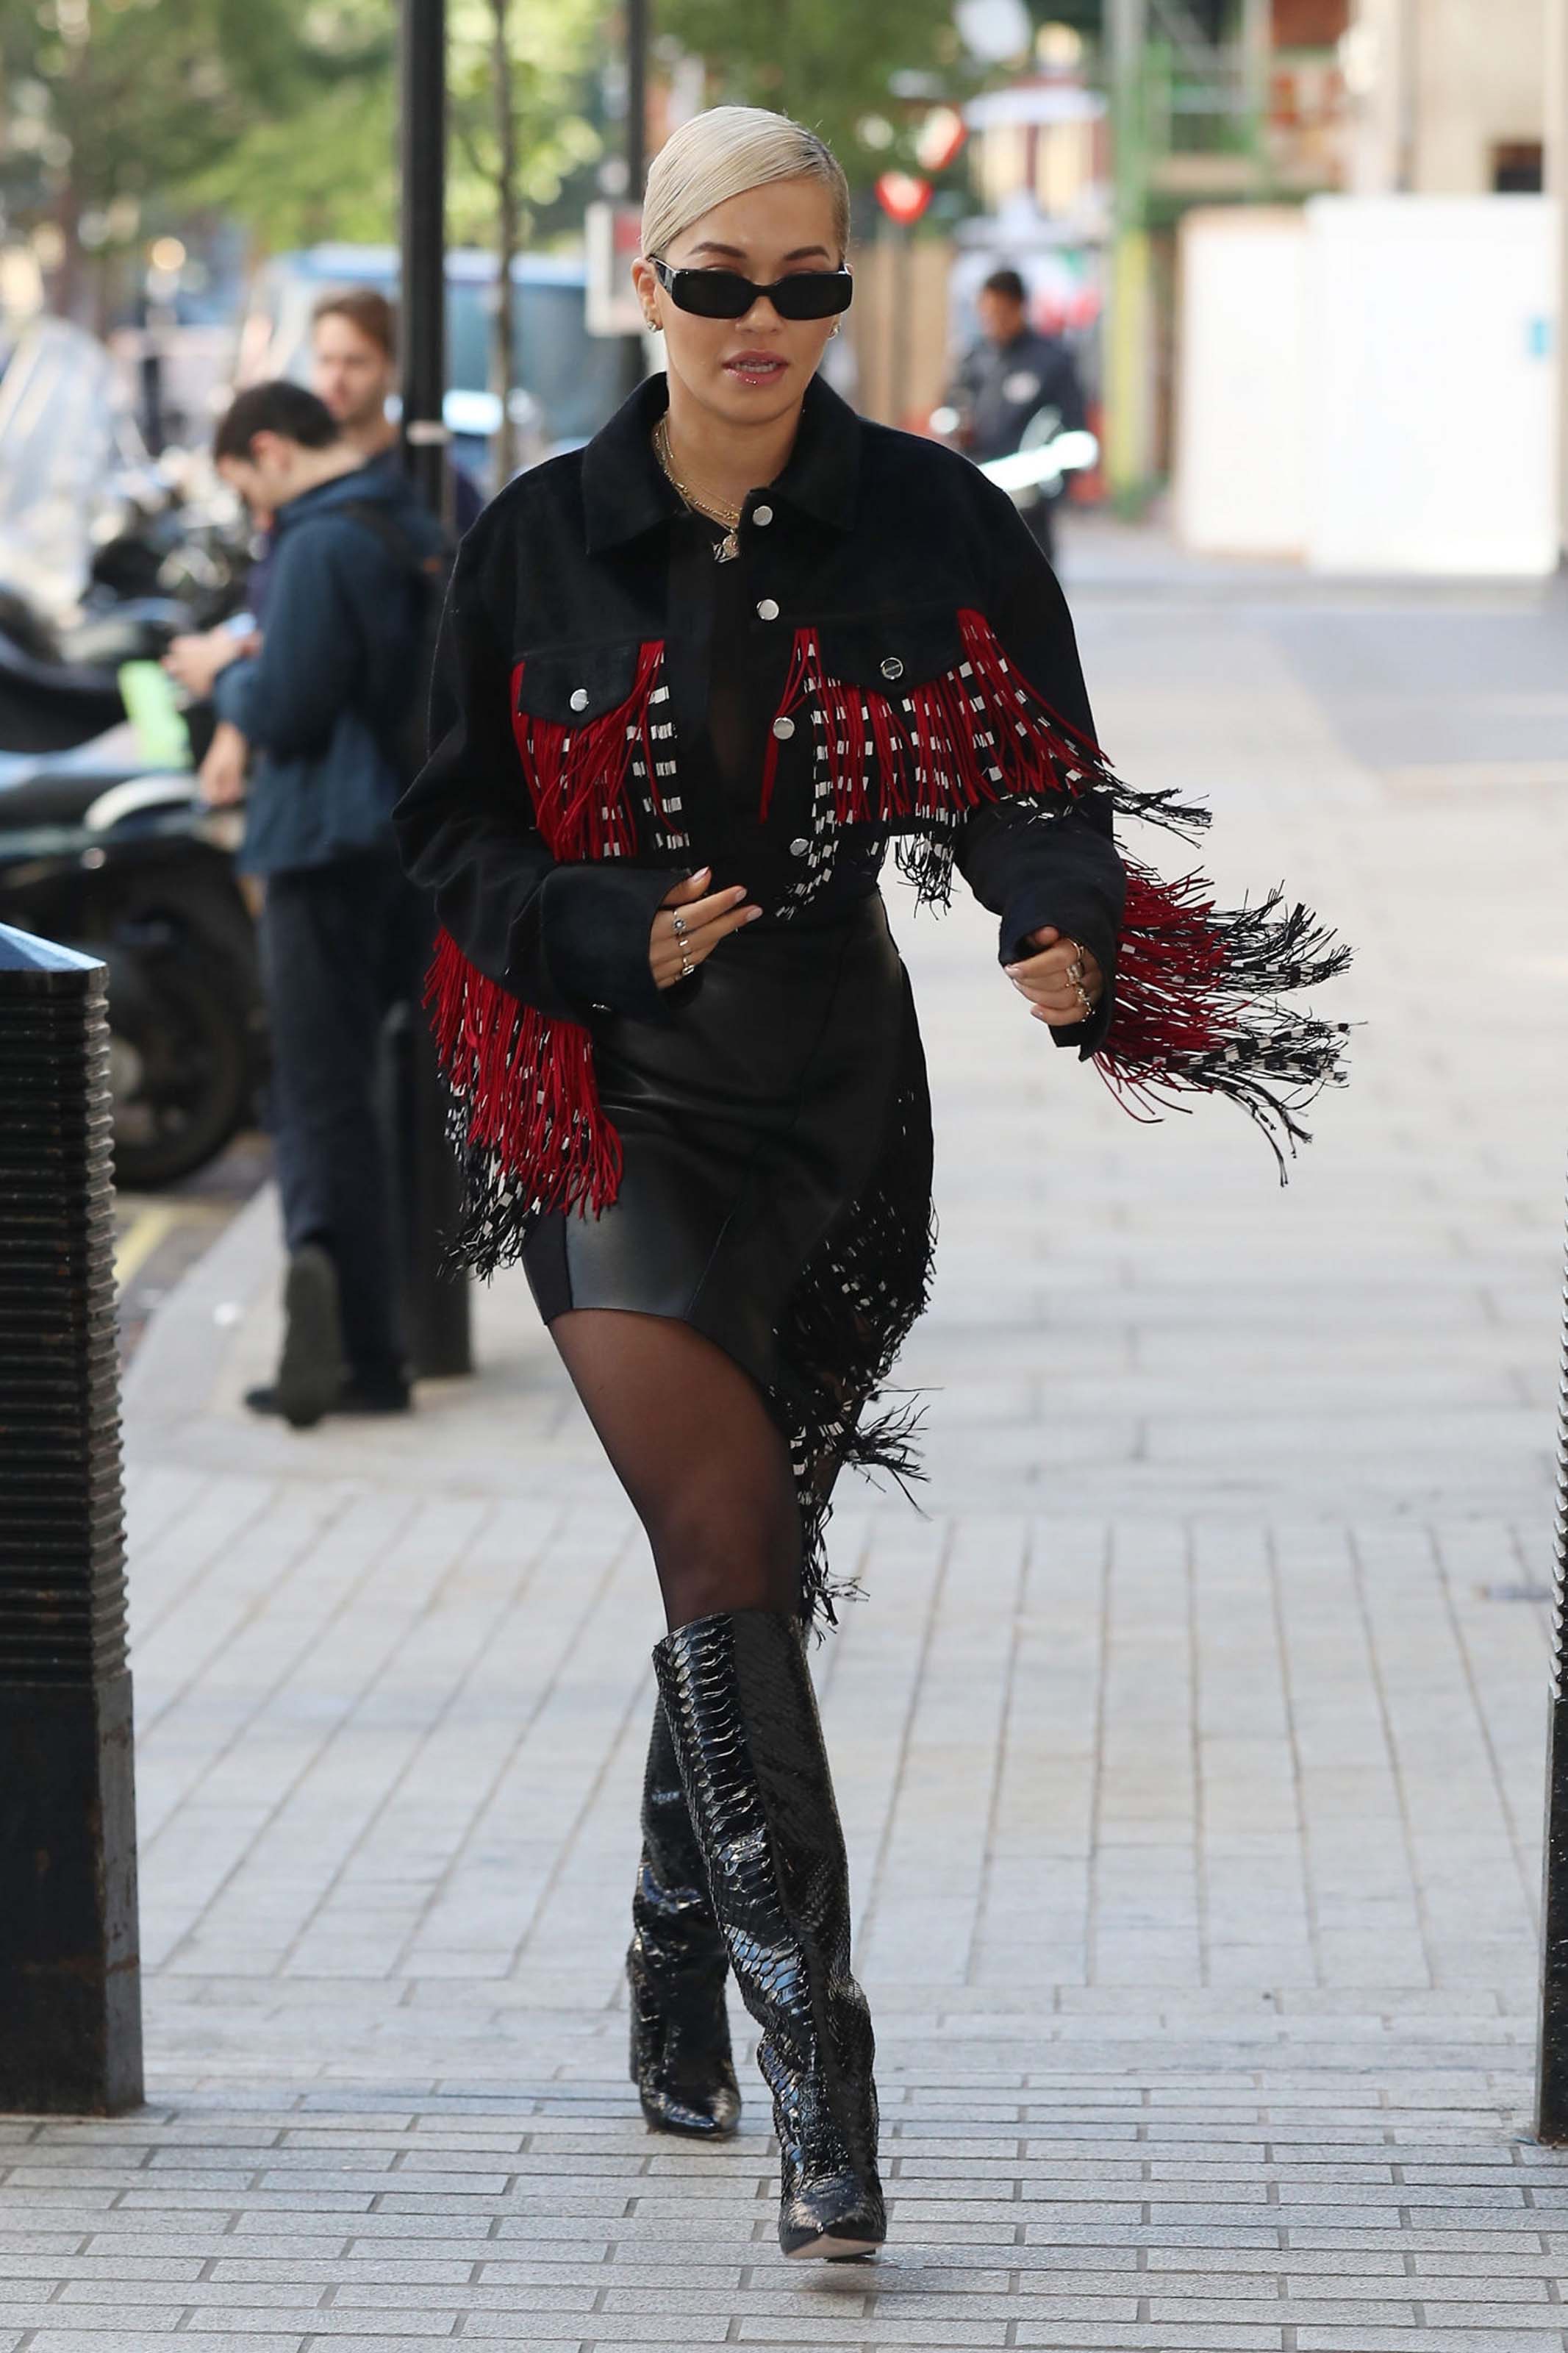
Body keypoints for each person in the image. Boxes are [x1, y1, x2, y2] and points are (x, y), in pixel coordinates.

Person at [393, 108, 1347, 2263]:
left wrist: (1057, 922)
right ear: (647, 283)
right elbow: (449, 830)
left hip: (837, 1109)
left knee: (746, 1563)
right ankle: (821, 2059)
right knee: (718, 1534)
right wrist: (593, 923)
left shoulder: (934, 519)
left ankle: (674, 1927)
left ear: (843, 289)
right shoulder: (535, 538)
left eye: (805, 283)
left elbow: (1035, 783)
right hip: (608, 1100)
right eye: (719, 283)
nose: (762, 321)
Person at [201, 380, 445, 1427]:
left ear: (270, 450)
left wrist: (221, 677)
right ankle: (374, 1336)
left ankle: (349, 1334)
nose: (253, 511)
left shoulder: (315, 545)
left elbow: (290, 707)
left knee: (319, 1091)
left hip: (315, 844)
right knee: (373, 1085)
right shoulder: (407, 523)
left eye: (245, 487)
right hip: (400, 841)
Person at [166, 287, 480, 701]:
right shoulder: (293, 475)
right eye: (325, 360)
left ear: (391, 367)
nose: (336, 379)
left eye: (356, 362)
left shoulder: (432, 483)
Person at [948, 265, 1088, 565]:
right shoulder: (974, 359)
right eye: (986, 314)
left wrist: (1048, 485)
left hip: (1029, 507)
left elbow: (1075, 433)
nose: (992, 322)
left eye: (1000, 313)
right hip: (977, 497)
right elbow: (952, 407)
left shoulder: (1052, 362)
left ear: (1019, 307)